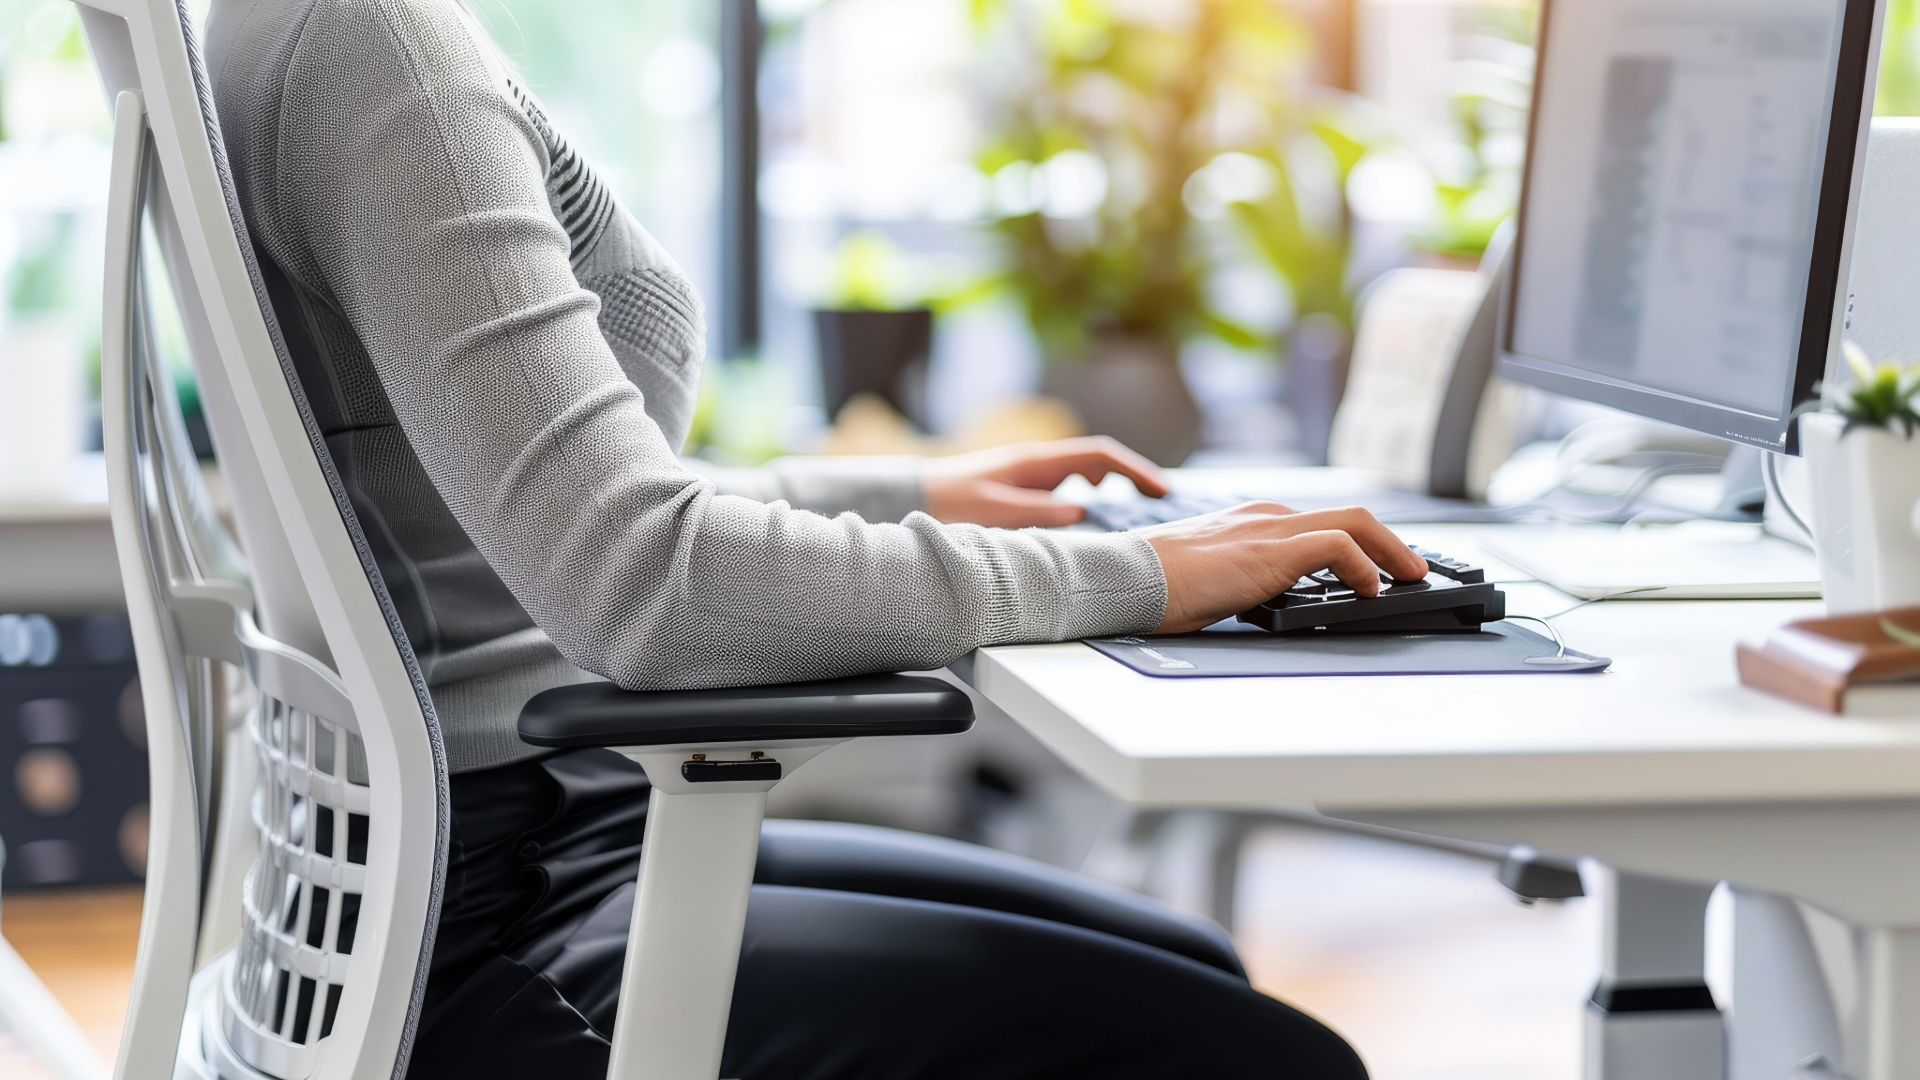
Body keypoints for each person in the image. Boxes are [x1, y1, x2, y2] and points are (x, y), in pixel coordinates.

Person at [205, 0, 1425, 1075]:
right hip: (503, 928)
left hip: (488, 865)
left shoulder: (298, 29)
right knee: (1268, 1057)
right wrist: (1138, 575)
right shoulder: (377, 48)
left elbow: (538, 493)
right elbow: (640, 583)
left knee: (1193, 961)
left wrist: (912, 495)